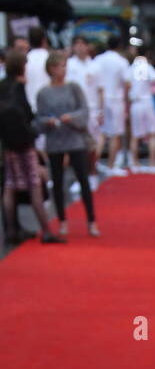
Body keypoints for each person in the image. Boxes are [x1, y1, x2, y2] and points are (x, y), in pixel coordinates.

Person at [0, 50, 63, 245]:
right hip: (24, 145)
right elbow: (27, 116)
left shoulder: (3, 86)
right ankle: (46, 230)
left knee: (10, 186)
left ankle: (11, 230)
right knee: (35, 184)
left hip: (8, 145)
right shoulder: (18, 89)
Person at [34, 52, 99, 238]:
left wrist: (72, 118)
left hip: (75, 139)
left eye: (64, 66)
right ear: (51, 69)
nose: (63, 70)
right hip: (55, 141)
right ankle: (62, 220)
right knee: (58, 183)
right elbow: (39, 119)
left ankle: (91, 220)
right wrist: (49, 122)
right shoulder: (43, 93)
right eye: (60, 66)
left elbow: (84, 111)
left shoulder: (74, 88)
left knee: (83, 180)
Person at [65, 35, 102, 185]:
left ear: (88, 47)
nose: (80, 47)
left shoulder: (95, 66)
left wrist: (100, 111)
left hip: (92, 109)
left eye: (82, 44)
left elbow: (100, 90)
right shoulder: (68, 65)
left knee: (91, 145)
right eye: (77, 44)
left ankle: (92, 174)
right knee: (75, 146)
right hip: (73, 111)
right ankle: (79, 177)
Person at [93, 33, 130, 176]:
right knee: (114, 135)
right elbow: (127, 83)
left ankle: (94, 164)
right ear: (119, 45)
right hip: (115, 100)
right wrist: (126, 100)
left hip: (101, 99)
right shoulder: (121, 61)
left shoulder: (98, 59)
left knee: (101, 133)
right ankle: (110, 166)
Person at [126, 52, 155, 174]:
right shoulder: (146, 67)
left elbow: (126, 84)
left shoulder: (130, 68)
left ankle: (135, 164)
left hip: (135, 103)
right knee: (152, 133)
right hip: (145, 102)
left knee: (135, 136)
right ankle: (152, 164)